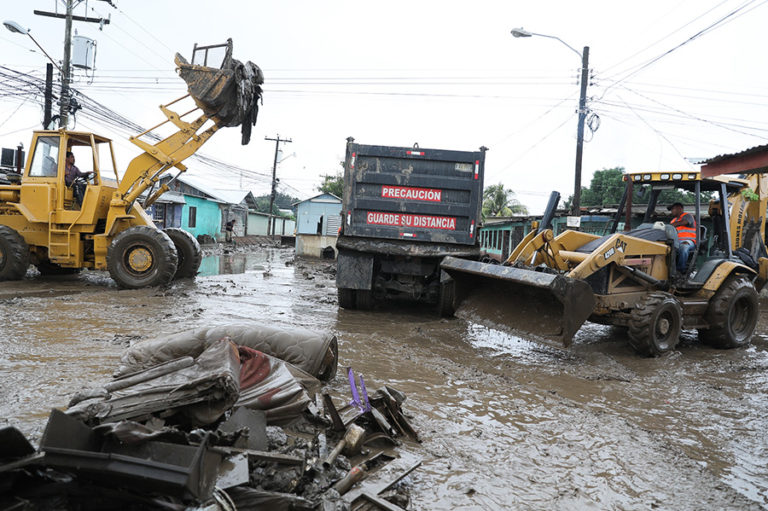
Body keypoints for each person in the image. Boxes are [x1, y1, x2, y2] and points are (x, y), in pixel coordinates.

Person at [668, 202, 697, 273]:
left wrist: (670, 226)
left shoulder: (687, 216)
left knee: (684, 247)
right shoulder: (673, 220)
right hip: (676, 242)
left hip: (689, 241)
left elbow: (684, 222)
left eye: (673, 209)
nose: (672, 211)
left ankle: (680, 270)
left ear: (679, 209)